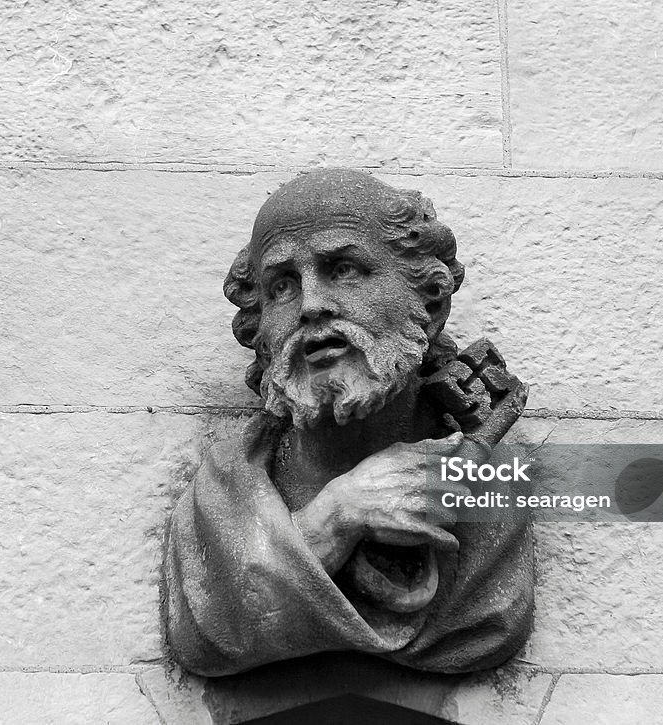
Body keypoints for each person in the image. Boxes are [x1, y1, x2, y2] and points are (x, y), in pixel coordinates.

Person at [165, 169, 532, 676]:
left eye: (343, 270)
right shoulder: (228, 487)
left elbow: (487, 626)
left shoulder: (489, 482)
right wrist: (338, 515)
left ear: (427, 297)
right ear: (261, 326)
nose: (312, 305)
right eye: (282, 286)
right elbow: (215, 633)